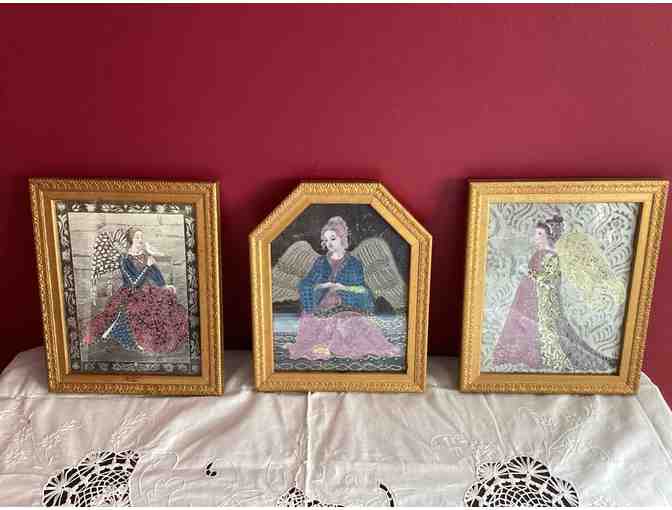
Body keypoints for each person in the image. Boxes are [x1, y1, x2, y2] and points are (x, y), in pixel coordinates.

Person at [493, 215, 618, 372]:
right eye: (536, 234)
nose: (536, 237)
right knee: (522, 326)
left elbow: (549, 281)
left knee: (546, 332)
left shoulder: (550, 256)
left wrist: (531, 277)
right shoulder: (539, 254)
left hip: (540, 299)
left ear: (548, 235)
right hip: (527, 295)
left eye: (540, 234)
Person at [287, 216, 401, 360]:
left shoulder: (354, 263)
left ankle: (333, 346)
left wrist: (342, 288)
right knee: (320, 322)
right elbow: (306, 283)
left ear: (342, 238)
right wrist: (324, 285)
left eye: (333, 239)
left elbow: (361, 289)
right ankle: (322, 345)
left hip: (347, 303)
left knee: (351, 325)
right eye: (326, 240)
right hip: (322, 303)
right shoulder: (320, 261)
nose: (329, 243)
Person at [84, 227, 189, 353]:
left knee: (166, 299)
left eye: (141, 237)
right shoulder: (124, 259)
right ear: (131, 240)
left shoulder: (145, 255)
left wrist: (164, 285)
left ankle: (158, 339)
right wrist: (147, 267)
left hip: (147, 291)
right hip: (131, 293)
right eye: (137, 237)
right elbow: (133, 283)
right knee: (137, 310)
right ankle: (138, 340)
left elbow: (155, 274)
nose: (140, 240)